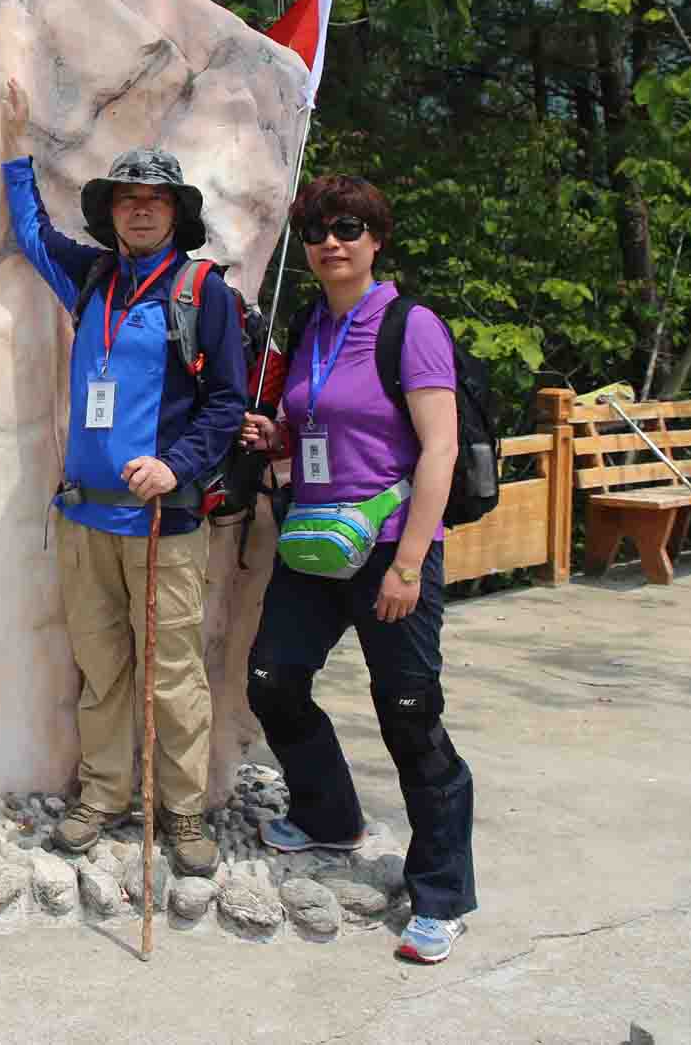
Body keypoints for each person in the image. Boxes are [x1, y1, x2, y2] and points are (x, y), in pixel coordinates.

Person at [0, 81, 245, 876]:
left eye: (156, 199)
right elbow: (32, 232)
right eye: (128, 199)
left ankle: (182, 811)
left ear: (177, 214)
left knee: (171, 675)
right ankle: (103, 795)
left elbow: (228, 401)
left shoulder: (203, 292)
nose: (141, 210)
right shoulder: (94, 279)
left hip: (161, 525)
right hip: (86, 520)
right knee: (102, 671)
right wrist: (12, 148)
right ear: (111, 212)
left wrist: (175, 464)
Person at [237, 174, 475, 964]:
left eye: (347, 227)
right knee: (273, 678)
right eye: (316, 230)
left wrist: (409, 561)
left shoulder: (410, 325)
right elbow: (316, 427)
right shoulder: (310, 323)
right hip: (313, 543)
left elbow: (437, 447)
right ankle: (329, 812)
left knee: (407, 709)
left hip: (387, 550)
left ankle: (440, 893)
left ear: (376, 239)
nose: (330, 241)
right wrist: (274, 436)